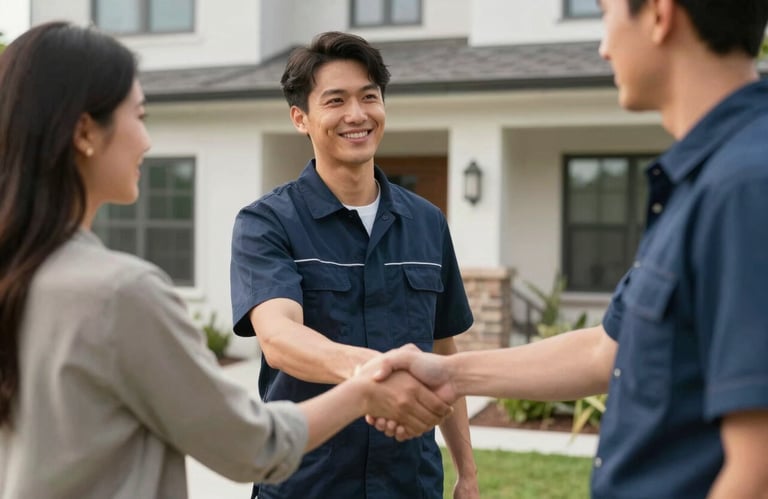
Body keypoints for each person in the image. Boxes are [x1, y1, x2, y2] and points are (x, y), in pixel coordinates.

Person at [0, 22, 453, 499]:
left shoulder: (21, 274)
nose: (147, 141)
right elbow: (250, 445)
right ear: (86, 132)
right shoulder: (121, 292)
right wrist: (368, 385)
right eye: (140, 115)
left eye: (369, 96)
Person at [367, 0, 768, 497]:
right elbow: (606, 350)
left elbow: (758, 466)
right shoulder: (705, 181)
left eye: (606, 14)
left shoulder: (747, 186)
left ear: (661, 16)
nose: (603, 48)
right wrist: (450, 373)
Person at [230, 31, 478, 499]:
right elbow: (280, 340)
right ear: (300, 118)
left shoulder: (427, 223)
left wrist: (467, 471)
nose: (357, 115)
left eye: (369, 97)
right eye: (336, 100)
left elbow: (444, 352)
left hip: (411, 484)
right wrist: (377, 374)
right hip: (306, 484)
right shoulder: (266, 223)